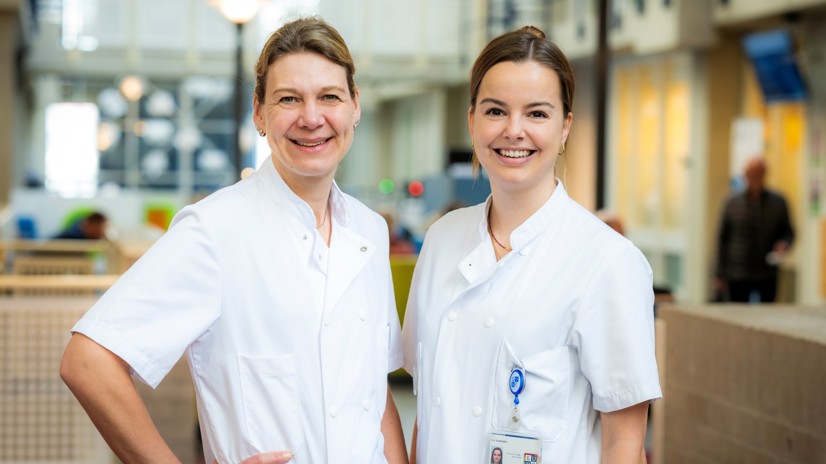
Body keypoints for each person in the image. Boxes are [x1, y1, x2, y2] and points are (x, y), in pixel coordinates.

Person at [60, 17, 407, 464]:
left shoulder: (369, 230)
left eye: (330, 97)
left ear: (355, 106)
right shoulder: (214, 229)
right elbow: (88, 362)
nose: (311, 118)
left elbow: (374, 392)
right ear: (259, 112)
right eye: (289, 99)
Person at [402, 26, 661, 463]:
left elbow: (625, 445)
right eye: (495, 111)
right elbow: (427, 414)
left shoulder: (608, 261)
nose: (514, 130)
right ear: (472, 121)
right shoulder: (442, 239)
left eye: (537, 114)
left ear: (565, 127)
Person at [714, 157, 794, 303]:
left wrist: (784, 244)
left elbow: (788, 233)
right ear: (745, 176)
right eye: (751, 174)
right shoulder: (732, 202)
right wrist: (719, 274)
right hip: (738, 273)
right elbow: (722, 239)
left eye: (758, 175)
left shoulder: (778, 202)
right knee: (738, 311)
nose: (754, 179)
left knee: (766, 310)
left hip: (767, 272)